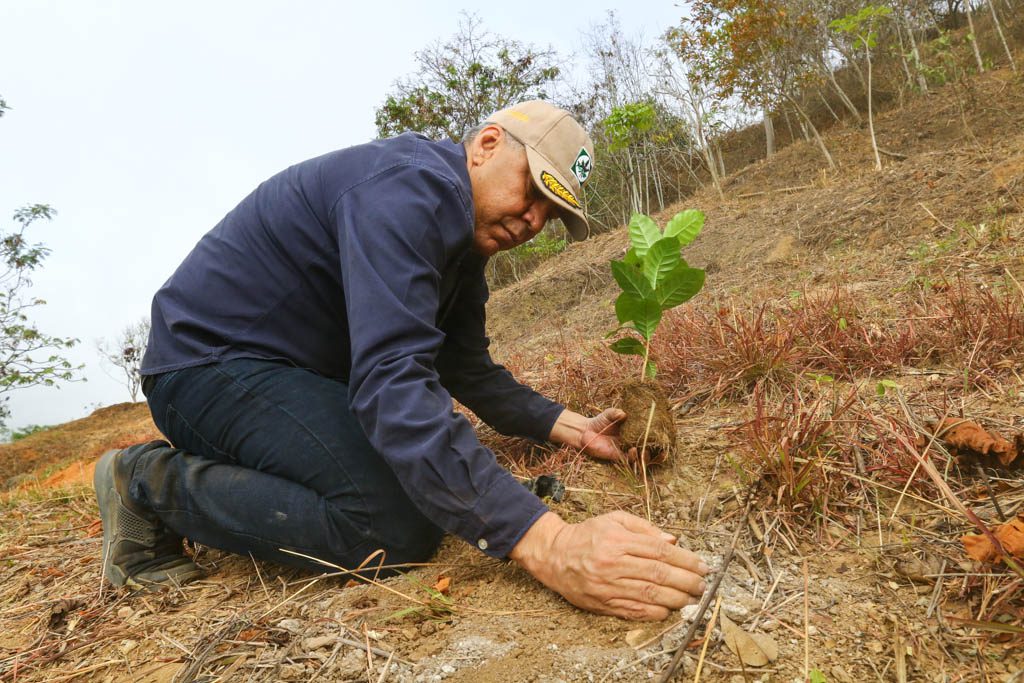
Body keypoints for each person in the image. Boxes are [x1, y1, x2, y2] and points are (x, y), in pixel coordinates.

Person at [94, 101, 709, 621]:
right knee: (388, 526)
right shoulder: (407, 189)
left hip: (290, 374)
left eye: (552, 214)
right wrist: (547, 542)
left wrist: (569, 426)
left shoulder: (462, 242)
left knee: (428, 489)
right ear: (487, 144)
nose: (533, 220)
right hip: (207, 366)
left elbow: (464, 367)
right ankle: (144, 481)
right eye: (533, 192)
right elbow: (392, 381)